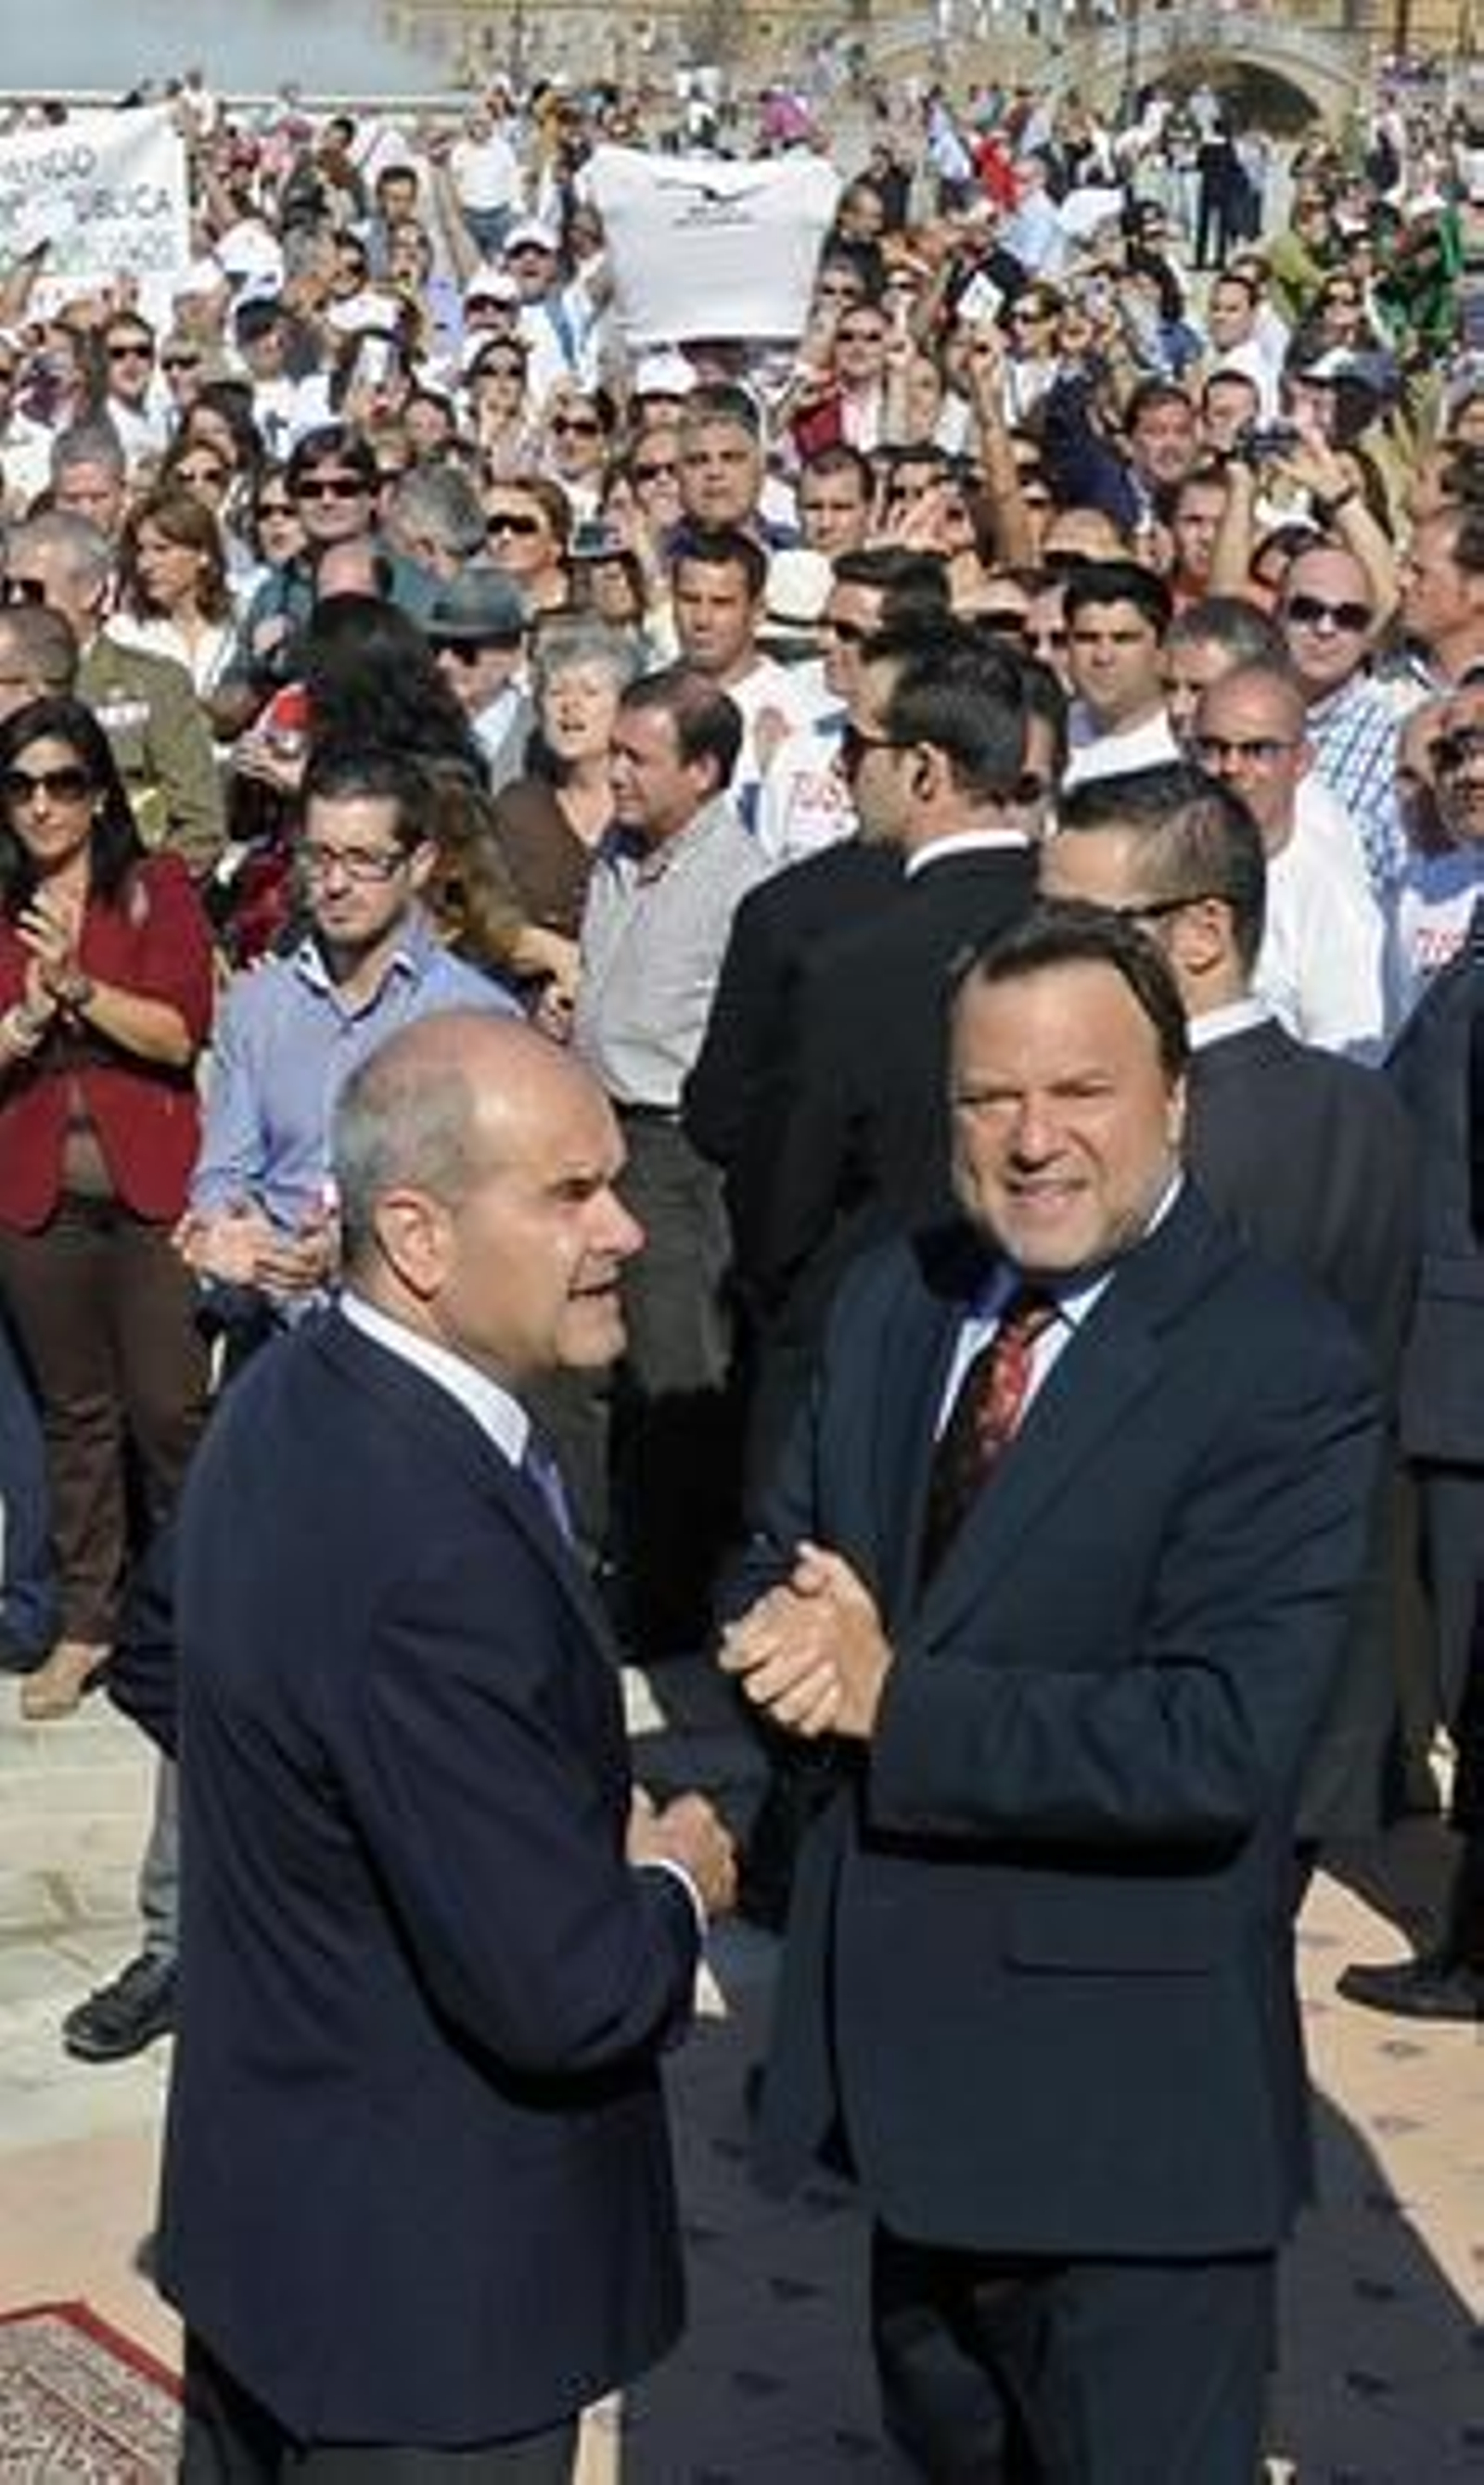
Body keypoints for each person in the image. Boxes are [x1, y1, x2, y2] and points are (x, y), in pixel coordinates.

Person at [722, 903, 1382, 2483]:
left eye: (1079, 1091)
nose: (1031, 1140)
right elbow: (776, 1557)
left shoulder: (1278, 1363)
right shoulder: (900, 1294)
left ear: (1174, 1097)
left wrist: (896, 1699)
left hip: (1122, 2140)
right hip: (904, 2101)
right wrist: (776, 1646)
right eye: (988, 1098)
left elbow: (1217, 1738)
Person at [159, 1009, 736, 2479]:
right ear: (415, 1231)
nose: (622, 1229)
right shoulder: (434, 1550)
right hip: (428, 2303)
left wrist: (351, 1837)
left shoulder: (282, 1397)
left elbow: (169, 1650)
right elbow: (565, 1991)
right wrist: (671, 1880)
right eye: (567, 1193)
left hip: (268, 2225)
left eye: (612, 1181)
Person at [0, 697, 214, 1723]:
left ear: (99, 792)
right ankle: (90, 1620)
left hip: (151, 1184)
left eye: (63, 783)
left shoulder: (153, 886)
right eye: (21, 787)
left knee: (171, 1405)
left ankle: (205, 1609)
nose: (42, 806)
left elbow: (178, 1032)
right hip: (34, 1191)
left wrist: (78, 988)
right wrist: (24, 1021)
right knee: (75, 1416)